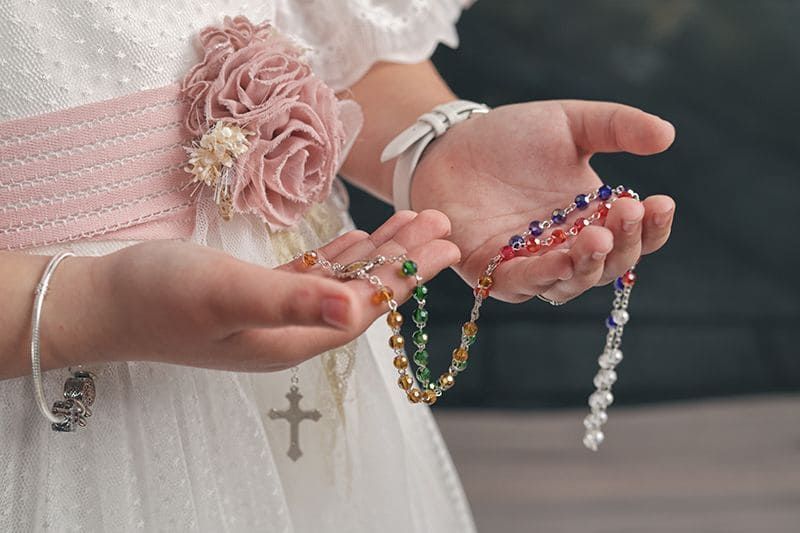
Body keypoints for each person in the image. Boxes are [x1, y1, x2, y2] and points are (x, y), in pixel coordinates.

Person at [0, 1, 675, 531]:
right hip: (45, 366)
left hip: (290, 298)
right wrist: (85, 306)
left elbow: (325, 34)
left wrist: (436, 142)